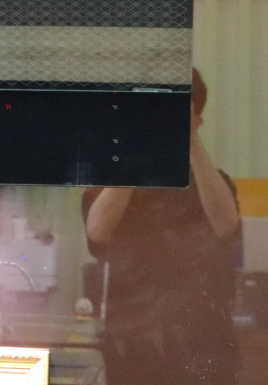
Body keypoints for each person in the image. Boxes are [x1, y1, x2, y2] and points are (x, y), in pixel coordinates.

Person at [82, 68, 242, 385]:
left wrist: (191, 142)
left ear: (198, 120)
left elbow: (227, 227)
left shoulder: (211, 182)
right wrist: (136, 148)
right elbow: (96, 234)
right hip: (133, 349)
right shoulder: (110, 183)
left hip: (206, 350)